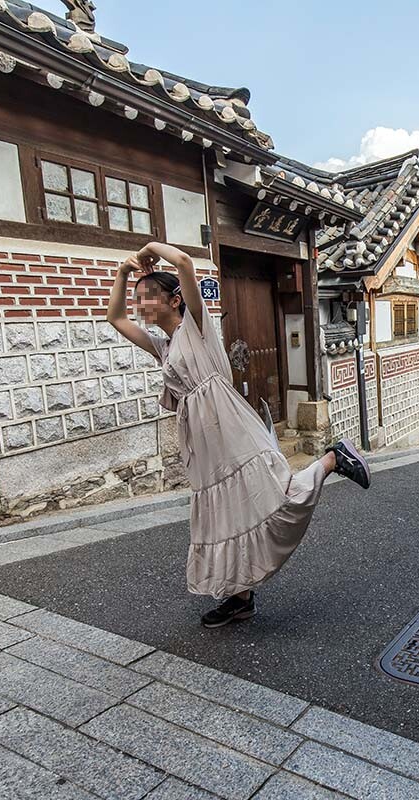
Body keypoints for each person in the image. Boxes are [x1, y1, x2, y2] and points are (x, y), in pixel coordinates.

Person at [106, 242, 372, 628]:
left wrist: (149, 249)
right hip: (204, 440)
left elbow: (182, 262)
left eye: (148, 296)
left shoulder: (195, 328)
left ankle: (332, 458)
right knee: (226, 515)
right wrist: (123, 272)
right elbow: (115, 318)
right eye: (138, 299)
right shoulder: (164, 347)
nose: (140, 304)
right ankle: (240, 597)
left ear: (176, 299)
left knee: (270, 498)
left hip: (228, 427)